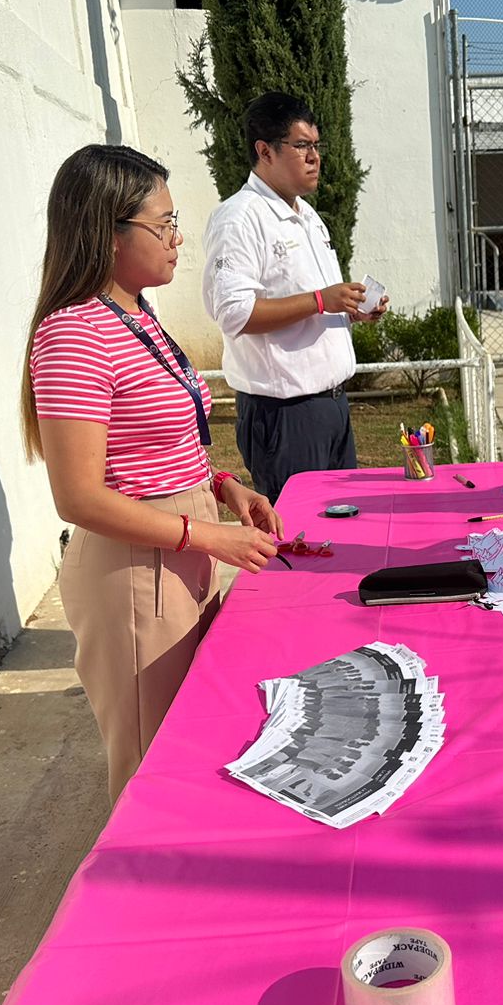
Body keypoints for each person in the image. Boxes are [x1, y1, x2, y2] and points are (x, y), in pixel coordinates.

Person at [21, 144, 282, 804]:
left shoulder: (137, 317)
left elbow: (154, 443)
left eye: (174, 222)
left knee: (193, 744)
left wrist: (222, 486)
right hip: (139, 571)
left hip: (179, 546)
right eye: (162, 224)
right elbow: (78, 496)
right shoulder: (75, 334)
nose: (177, 239)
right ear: (108, 231)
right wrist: (207, 535)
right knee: (152, 768)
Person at [202, 92, 389, 503]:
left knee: (345, 526)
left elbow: (312, 305)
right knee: (299, 533)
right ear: (265, 151)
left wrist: (350, 310)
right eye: (302, 145)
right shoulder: (239, 218)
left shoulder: (307, 216)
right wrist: (322, 300)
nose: (314, 157)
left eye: (316, 145)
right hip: (285, 414)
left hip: (333, 406)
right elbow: (235, 314)